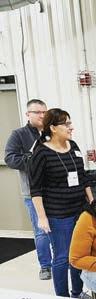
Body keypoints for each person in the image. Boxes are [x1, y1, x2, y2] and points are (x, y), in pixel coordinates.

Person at [29, 108, 93, 299]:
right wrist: (42, 217)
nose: (71, 127)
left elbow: (83, 177)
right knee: (62, 256)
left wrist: (92, 202)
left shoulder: (73, 146)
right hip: (58, 214)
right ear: (53, 128)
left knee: (78, 254)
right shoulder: (41, 153)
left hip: (80, 210)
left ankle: (77, 293)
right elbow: (35, 189)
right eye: (66, 124)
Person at [5, 99, 52, 280]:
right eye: (37, 112)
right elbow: (11, 159)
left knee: (59, 228)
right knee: (41, 231)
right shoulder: (19, 135)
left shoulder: (51, 132)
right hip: (32, 193)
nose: (42, 115)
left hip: (55, 191)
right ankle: (45, 266)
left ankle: (61, 262)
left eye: (44, 112)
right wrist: (34, 160)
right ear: (28, 114)